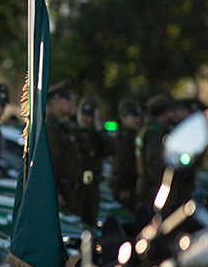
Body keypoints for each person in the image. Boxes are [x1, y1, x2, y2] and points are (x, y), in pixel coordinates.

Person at [72, 97, 114, 226]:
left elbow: (112, 149)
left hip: (93, 185)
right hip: (77, 185)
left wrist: (98, 127)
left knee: (91, 221)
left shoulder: (97, 135)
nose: (85, 119)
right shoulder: (72, 132)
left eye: (89, 116)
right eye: (83, 114)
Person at [45, 80, 81, 215]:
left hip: (70, 191)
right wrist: (54, 192)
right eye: (67, 99)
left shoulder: (65, 127)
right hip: (61, 192)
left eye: (72, 99)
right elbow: (50, 162)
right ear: (55, 101)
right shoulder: (52, 128)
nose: (72, 103)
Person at [137, 93, 174, 210]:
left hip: (144, 183)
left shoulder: (146, 129)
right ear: (165, 113)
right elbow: (153, 159)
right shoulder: (155, 132)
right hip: (152, 187)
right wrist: (161, 183)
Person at [111, 98, 142, 212]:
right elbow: (121, 163)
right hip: (125, 187)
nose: (137, 120)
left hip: (132, 185)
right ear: (124, 116)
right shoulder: (123, 138)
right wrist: (123, 187)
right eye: (133, 116)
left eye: (138, 116)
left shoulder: (133, 135)